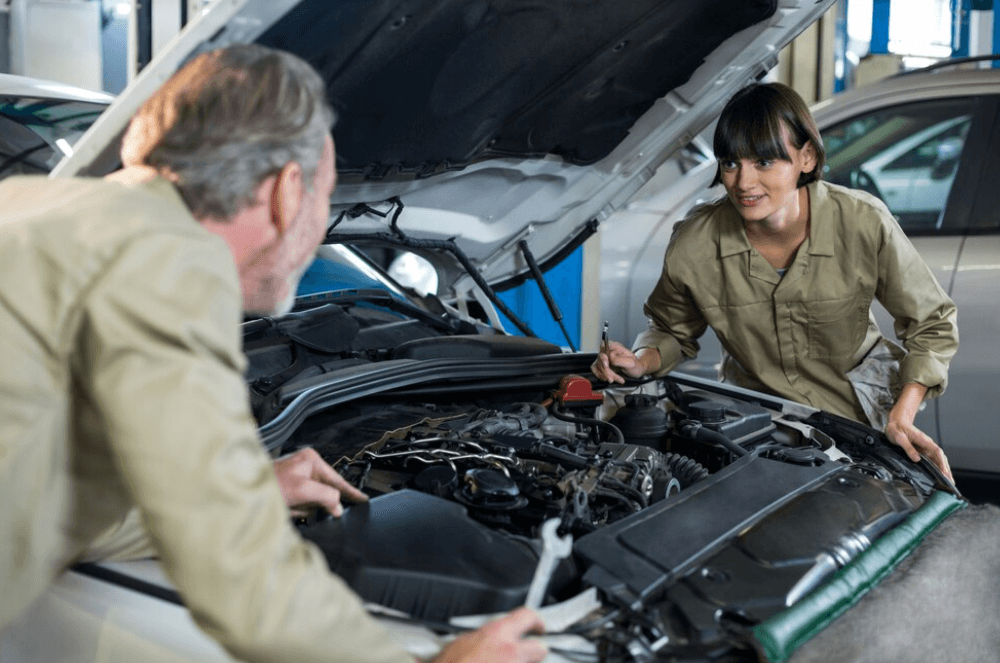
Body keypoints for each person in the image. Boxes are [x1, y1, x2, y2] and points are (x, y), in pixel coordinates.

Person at [0, 44, 546, 663]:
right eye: (328, 196)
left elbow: (40, 507)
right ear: (289, 189)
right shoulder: (162, 261)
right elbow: (243, 579)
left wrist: (240, 490)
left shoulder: (32, 207)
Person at [592, 82, 958, 481]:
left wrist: (902, 415)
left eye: (764, 162)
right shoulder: (695, 242)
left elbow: (932, 323)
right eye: (731, 163)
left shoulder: (862, 222)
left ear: (806, 157)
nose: (744, 183)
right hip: (756, 430)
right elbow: (670, 331)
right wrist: (641, 361)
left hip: (860, 426)